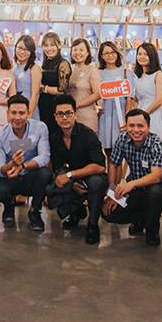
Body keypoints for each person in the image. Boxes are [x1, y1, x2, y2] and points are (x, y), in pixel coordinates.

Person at [102, 108, 162, 246]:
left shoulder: (158, 145)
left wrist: (130, 184)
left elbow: (156, 176)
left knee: (155, 193)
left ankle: (152, 228)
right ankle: (141, 218)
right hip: (134, 190)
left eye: (140, 126)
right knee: (108, 214)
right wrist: (112, 193)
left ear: (148, 127)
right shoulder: (122, 139)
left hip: (156, 188)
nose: (136, 130)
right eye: (131, 125)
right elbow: (113, 163)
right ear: (126, 126)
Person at [47, 94, 107, 245]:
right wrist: (71, 182)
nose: (64, 118)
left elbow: (100, 166)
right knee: (54, 185)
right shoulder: (55, 137)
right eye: (60, 114)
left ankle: (92, 225)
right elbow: (58, 167)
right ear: (55, 117)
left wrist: (70, 175)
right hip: (74, 178)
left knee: (96, 183)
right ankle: (76, 212)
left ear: (75, 114)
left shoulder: (87, 134)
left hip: (93, 175)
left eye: (68, 113)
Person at [0, 94, 53, 231]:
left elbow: (45, 157)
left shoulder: (40, 128)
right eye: (13, 113)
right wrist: (12, 164)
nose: (18, 117)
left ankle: (35, 211)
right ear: (7, 113)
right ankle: (9, 206)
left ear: (28, 113)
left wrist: (22, 166)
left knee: (45, 174)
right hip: (10, 177)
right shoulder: (0, 134)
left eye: (22, 113)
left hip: (30, 176)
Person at [128, 42, 162, 148]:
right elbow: (136, 99)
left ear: (152, 56)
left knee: (153, 146)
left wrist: (143, 115)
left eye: (145, 54)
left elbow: (159, 100)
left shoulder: (158, 74)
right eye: (139, 54)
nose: (142, 57)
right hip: (140, 111)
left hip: (153, 114)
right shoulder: (139, 76)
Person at [97, 40, 129, 154]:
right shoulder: (99, 73)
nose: (110, 55)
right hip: (105, 115)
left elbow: (130, 98)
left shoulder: (125, 73)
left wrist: (127, 117)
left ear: (117, 53)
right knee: (108, 150)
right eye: (106, 53)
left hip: (120, 115)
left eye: (112, 52)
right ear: (101, 56)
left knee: (121, 149)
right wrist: (97, 107)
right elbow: (95, 94)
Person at [38, 32, 71, 130]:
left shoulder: (63, 64)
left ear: (59, 46)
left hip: (56, 106)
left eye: (52, 45)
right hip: (43, 104)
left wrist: (44, 88)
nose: (49, 48)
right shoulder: (45, 63)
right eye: (46, 45)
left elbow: (62, 90)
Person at [67, 38, 102, 132]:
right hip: (69, 116)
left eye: (81, 50)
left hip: (86, 115)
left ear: (87, 53)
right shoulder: (69, 69)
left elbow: (98, 94)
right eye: (75, 50)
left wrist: (77, 105)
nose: (78, 53)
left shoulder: (92, 70)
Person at [13, 34, 42, 119]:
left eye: (27, 50)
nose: (22, 52)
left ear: (31, 52)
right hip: (16, 109)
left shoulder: (34, 68)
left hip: (29, 110)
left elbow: (35, 95)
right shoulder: (14, 67)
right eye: (20, 48)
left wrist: (29, 115)